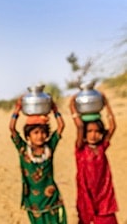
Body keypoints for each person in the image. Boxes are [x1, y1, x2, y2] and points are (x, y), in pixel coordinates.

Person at [9, 96, 67, 224]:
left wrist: (54, 108)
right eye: (35, 132)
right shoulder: (23, 149)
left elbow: (61, 126)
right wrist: (17, 110)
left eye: (43, 132)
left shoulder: (49, 147)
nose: (40, 136)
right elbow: (12, 129)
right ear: (28, 135)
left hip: (51, 198)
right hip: (33, 200)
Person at [69, 93, 118, 224]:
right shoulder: (81, 148)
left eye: (97, 131)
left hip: (103, 193)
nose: (93, 135)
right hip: (86, 193)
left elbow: (112, 126)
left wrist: (106, 104)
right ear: (84, 134)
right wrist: (72, 108)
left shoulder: (102, 146)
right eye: (89, 131)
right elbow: (79, 126)